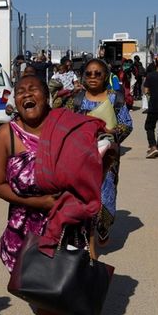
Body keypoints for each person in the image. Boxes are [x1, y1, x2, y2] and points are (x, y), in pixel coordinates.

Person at [0, 74, 104, 315]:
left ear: (46, 94)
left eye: (33, 89)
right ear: (15, 100)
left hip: (66, 227)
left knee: (48, 295)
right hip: (23, 230)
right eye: (20, 91)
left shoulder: (69, 127)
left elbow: (92, 169)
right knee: (38, 288)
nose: (26, 94)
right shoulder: (7, 134)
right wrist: (37, 203)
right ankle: (53, 312)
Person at [62, 58, 133, 230]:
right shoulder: (76, 99)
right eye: (88, 73)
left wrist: (111, 133)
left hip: (107, 159)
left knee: (105, 192)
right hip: (80, 157)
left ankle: (102, 227)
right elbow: (63, 123)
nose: (93, 77)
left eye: (98, 73)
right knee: (79, 195)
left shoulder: (115, 99)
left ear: (106, 76)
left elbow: (127, 124)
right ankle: (84, 233)